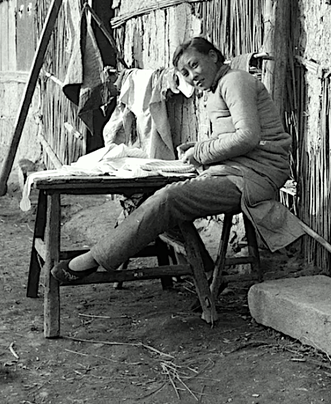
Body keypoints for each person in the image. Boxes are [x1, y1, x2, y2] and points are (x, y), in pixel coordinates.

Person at [51, 36, 292, 285]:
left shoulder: (235, 81)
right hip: (237, 171)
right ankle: (207, 272)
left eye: (194, 65)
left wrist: (199, 153)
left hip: (256, 175)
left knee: (169, 198)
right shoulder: (217, 89)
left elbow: (248, 137)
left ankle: (94, 259)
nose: (191, 76)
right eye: (184, 72)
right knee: (153, 196)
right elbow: (233, 137)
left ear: (213, 56)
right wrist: (199, 147)